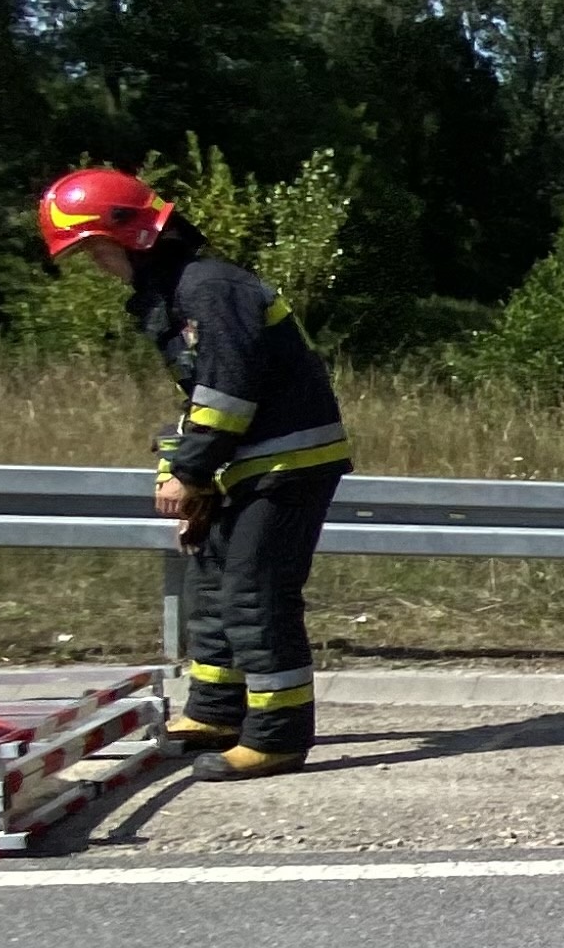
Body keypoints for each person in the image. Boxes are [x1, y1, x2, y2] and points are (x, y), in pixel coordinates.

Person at [35, 168, 350, 778]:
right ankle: (215, 712)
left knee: (255, 596)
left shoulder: (211, 288)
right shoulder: (181, 292)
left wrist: (191, 472)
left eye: (95, 250)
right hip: (247, 465)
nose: (96, 265)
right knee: (213, 591)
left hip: (287, 465)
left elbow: (229, 389)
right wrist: (181, 473)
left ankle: (277, 737)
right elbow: (198, 398)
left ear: (131, 236)